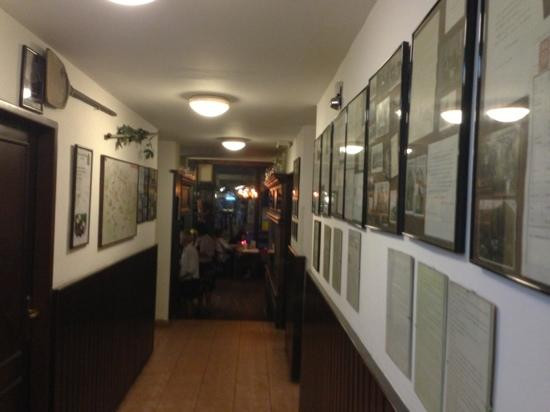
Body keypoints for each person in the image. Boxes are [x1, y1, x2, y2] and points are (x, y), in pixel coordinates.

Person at [178, 231, 202, 315]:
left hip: (190, 280)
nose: (179, 239)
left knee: (188, 301)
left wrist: (181, 277)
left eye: (181, 237)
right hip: (187, 279)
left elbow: (192, 269)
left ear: (185, 239)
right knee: (187, 301)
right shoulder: (186, 249)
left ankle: (190, 319)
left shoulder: (190, 250)